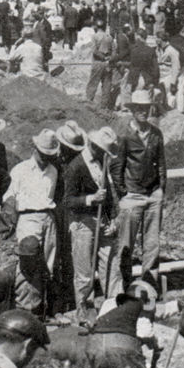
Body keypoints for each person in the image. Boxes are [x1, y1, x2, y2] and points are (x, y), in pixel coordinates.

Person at [110, 90, 168, 295]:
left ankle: (149, 287)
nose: (143, 112)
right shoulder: (125, 135)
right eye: (139, 109)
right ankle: (124, 289)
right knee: (126, 245)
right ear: (133, 110)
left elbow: (161, 163)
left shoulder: (155, 134)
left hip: (153, 194)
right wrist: (123, 192)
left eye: (146, 108)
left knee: (152, 244)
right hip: (132, 195)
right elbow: (116, 167)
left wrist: (161, 189)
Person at [62, 126, 118, 322]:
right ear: (94, 147)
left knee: (111, 264)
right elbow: (68, 201)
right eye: (103, 150)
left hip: (102, 220)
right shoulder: (75, 166)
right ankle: (84, 312)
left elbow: (108, 194)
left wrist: (112, 219)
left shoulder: (102, 162)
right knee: (85, 272)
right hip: (82, 222)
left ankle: (114, 308)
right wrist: (90, 199)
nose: (106, 154)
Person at [4, 130, 62, 311]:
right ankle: (23, 306)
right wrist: (10, 220)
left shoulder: (53, 170)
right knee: (27, 262)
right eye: (43, 154)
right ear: (35, 149)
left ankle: (43, 308)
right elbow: (9, 197)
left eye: (49, 155)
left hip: (48, 217)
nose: (46, 158)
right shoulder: (20, 170)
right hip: (28, 217)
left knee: (48, 264)